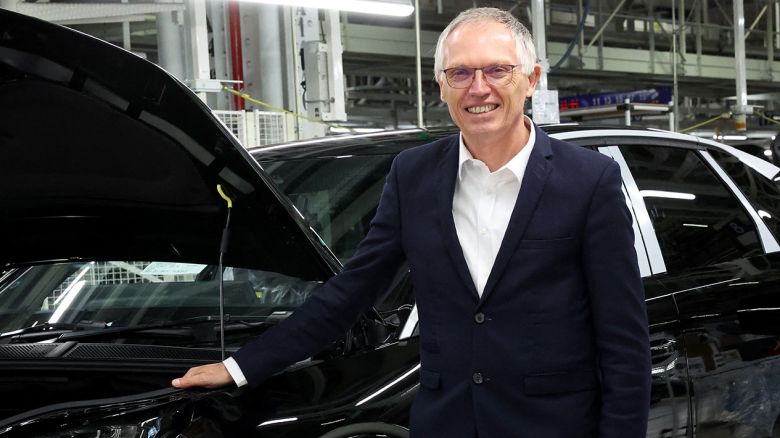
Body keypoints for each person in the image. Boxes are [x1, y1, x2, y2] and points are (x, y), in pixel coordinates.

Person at [173, 7, 651, 437]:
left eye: (497, 70)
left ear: (531, 79)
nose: (478, 88)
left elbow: (624, 341)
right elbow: (351, 292)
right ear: (441, 85)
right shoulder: (413, 175)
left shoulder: (589, 180)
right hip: (446, 423)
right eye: (460, 72)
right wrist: (241, 366)